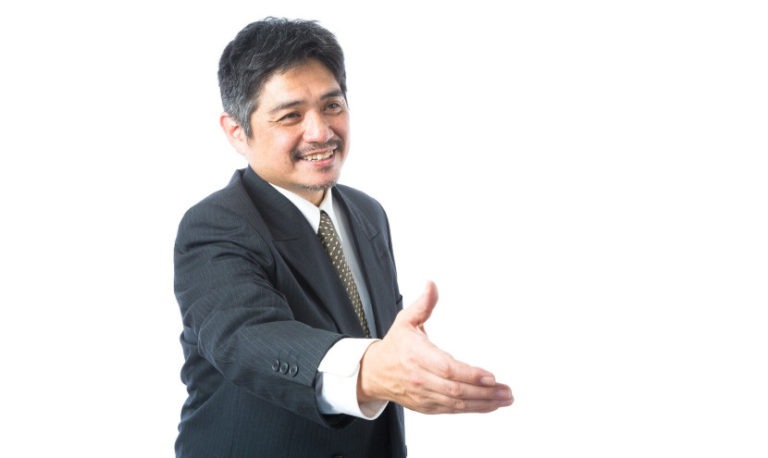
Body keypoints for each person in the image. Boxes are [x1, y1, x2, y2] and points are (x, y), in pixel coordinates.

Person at [174, 17, 513, 457]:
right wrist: (369, 371)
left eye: (332, 106)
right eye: (291, 116)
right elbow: (245, 336)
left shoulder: (367, 213)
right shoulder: (215, 225)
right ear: (237, 131)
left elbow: (386, 343)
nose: (320, 132)